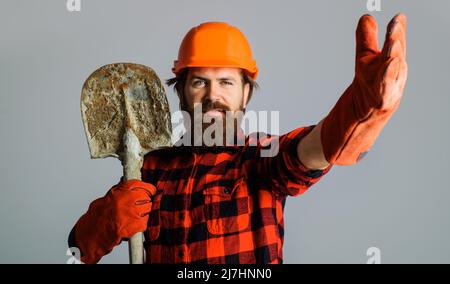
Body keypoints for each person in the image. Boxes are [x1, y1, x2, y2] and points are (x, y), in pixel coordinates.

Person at [69, 14, 407, 264]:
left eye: (226, 82)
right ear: (182, 93)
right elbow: (74, 253)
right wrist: (102, 223)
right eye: (199, 81)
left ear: (246, 93)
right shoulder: (150, 168)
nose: (212, 95)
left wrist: (355, 113)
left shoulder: (260, 158)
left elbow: (309, 152)